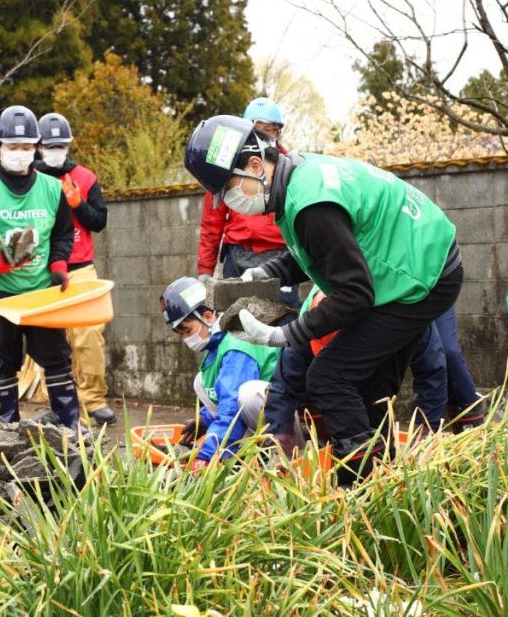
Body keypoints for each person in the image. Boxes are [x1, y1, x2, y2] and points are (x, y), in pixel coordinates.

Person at [184, 116, 463, 485]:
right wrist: (263, 274)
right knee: (367, 384)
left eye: (231, 189)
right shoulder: (296, 177)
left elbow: (354, 295)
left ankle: (361, 487)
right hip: (416, 262)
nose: (232, 204)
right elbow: (314, 251)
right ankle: (385, 482)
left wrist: (284, 335)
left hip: (422, 274)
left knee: (329, 376)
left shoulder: (311, 203)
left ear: (254, 165)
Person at [0, 105, 82, 429]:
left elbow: (62, 234)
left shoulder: (52, 189)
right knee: (3, 362)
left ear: (36, 148)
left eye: (26, 147)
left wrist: (58, 263)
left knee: (57, 358)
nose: (19, 153)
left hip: (40, 288)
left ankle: (69, 427)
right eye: (12, 147)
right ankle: (8, 429)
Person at [265, 286, 450, 458]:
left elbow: (432, 370)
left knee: (376, 416)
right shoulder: (310, 326)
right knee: (323, 387)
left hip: (386, 336)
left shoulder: (405, 316)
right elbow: (283, 387)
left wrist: (428, 428)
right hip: (323, 394)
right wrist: (279, 440)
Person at [20, 112, 115, 426]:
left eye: (61, 145)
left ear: (69, 145)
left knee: (89, 335)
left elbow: (99, 222)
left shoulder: (85, 178)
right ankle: (59, 401)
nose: (55, 150)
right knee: (49, 341)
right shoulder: (29, 177)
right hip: (41, 271)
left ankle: (94, 399)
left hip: (80, 267)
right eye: (50, 145)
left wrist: (78, 205)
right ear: (39, 147)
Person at [160, 277, 281, 470]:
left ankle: (265, 455)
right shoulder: (219, 345)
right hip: (264, 413)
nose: (186, 339)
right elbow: (225, 392)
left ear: (208, 316)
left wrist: (206, 456)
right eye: (180, 335)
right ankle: (236, 448)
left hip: (287, 421)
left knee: (246, 395)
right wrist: (205, 418)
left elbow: (233, 409)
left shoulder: (236, 345)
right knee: (202, 381)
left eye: (187, 331)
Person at [196, 98, 299, 308]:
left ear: (278, 132)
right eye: (256, 130)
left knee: (283, 319)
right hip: (237, 255)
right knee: (234, 319)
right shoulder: (225, 168)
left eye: (269, 130)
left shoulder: (289, 167)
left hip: (280, 256)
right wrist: (205, 270)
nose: (263, 136)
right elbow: (211, 223)